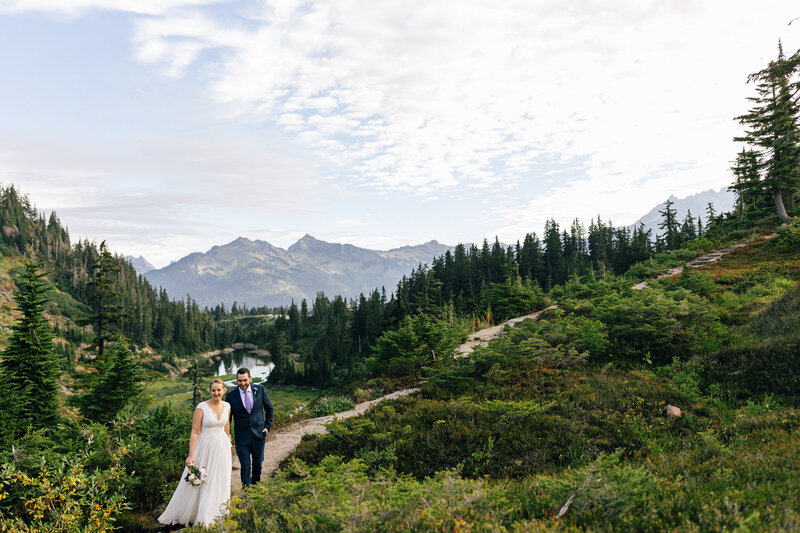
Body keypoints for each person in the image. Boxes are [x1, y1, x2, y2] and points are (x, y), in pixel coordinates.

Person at [158, 379, 232, 527]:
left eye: (219, 390)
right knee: (201, 481)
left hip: (222, 448)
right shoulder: (201, 407)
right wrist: (191, 455)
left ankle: (218, 512)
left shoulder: (227, 406)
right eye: (213, 390)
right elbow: (194, 432)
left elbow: (226, 427)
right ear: (209, 391)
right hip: (205, 448)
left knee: (220, 478)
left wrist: (229, 443)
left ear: (224, 390)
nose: (216, 393)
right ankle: (200, 514)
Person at [226, 367, 274, 486]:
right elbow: (228, 418)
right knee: (245, 465)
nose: (242, 383)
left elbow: (269, 408)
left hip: (259, 434)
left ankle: (256, 487)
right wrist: (226, 434)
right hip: (241, 437)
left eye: (245, 380)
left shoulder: (260, 389)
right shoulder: (231, 396)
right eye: (240, 381)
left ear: (250, 379)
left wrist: (267, 426)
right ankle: (246, 491)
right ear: (236, 380)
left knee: (257, 464)